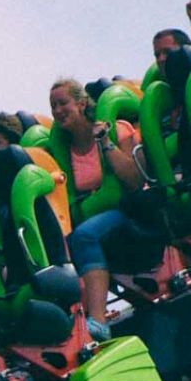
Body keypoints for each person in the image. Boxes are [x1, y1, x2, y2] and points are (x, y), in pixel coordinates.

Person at [49, 75, 146, 338]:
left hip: (128, 209)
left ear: (81, 104)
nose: (58, 111)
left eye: (63, 103)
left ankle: (98, 321)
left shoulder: (118, 128)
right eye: (53, 106)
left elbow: (135, 180)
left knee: (84, 235)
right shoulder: (62, 147)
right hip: (93, 215)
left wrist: (105, 141)